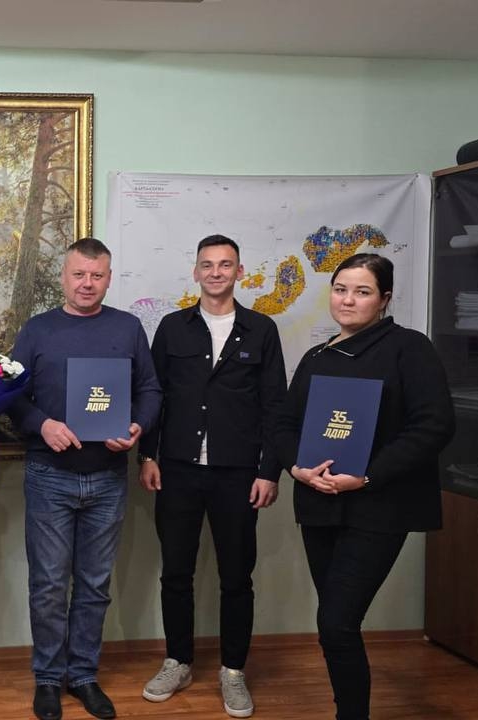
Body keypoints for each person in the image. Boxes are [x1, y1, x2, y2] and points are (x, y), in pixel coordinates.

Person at [272, 253, 454, 720]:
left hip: (379, 506)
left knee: (337, 623)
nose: (347, 300)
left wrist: (368, 474)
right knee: (334, 624)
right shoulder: (317, 356)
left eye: (362, 291)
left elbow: (434, 426)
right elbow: (284, 425)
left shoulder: (409, 349)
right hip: (319, 503)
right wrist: (297, 469)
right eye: (340, 289)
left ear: (385, 299)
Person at [8, 237, 162, 720]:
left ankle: (83, 676)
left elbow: (150, 390)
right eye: (79, 274)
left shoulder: (127, 327)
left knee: (94, 585)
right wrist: (42, 425)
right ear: (64, 276)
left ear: (109, 279)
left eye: (97, 276)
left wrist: (137, 427)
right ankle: (48, 679)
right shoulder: (38, 329)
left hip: (108, 477)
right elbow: (11, 395)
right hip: (49, 475)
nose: (87, 284)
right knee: (49, 586)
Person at [137, 235, 286, 718]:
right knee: (176, 572)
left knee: (236, 576)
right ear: (196, 272)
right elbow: (154, 395)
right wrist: (147, 455)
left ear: (239, 272)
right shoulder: (172, 328)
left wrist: (269, 471)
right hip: (177, 469)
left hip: (238, 474)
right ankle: (178, 661)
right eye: (208, 265)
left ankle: (233, 671)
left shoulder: (261, 330)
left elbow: (275, 407)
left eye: (225, 265)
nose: (216, 272)